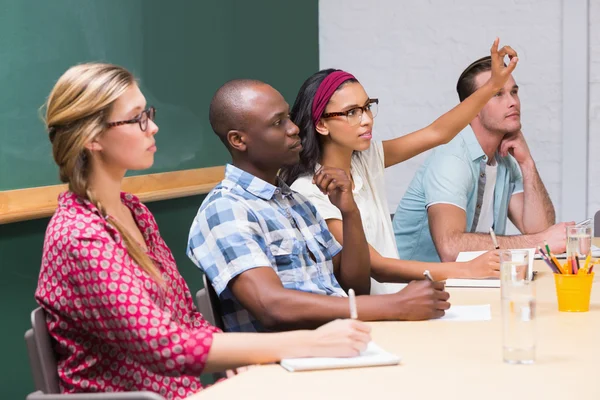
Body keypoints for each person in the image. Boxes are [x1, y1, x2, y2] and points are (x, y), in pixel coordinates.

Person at [35, 63, 371, 399]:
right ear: (94, 138)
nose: (152, 127)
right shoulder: (80, 235)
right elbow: (163, 345)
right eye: (137, 118)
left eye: (148, 113)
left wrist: (243, 354)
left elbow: (186, 319)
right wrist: (306, 343)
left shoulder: (134, 212)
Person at [187, 79, 450, 333]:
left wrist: (349, 211)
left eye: (289, 117)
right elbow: (271, 306)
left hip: (343, 342)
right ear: (238, 140)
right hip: (287, 361)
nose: (294, 128)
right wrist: (395, 304)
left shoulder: (296, 202)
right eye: (278, 123)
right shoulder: (226, 209)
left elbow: (355, 287)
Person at [281, 39, 515, 288]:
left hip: (398, 302)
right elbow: (377, 266)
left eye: (367, 107)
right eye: (352, 112)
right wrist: (465, 270)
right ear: (321, 124)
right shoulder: (309, 190)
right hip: (370, 316)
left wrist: (493, 87)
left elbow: (438, 133)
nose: (367, 119)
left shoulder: (364, 160)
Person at [392, 54, 572, 263]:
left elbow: (539, 230)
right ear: (473, 107)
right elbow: (451, 249)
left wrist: (527, 163)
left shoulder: (505, 161)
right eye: (498, 94)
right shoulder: (453, 159)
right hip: (412, 287)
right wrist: (538, 242)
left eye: (514, 92)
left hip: (467, 284)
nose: (513, 102)